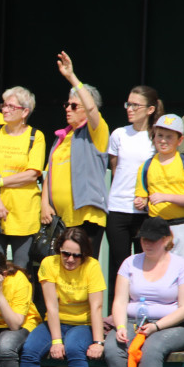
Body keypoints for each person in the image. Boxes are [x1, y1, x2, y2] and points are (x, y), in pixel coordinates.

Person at [105, 217, 184, 367]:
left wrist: (156, 327)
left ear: (166, 240)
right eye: (144, 239)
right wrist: (119, 326)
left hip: (173, 326)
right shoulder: (130, 263)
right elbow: (119, 300)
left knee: (152, 348)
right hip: (134, 321)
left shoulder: (181, 265)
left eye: (153, 240)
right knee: (112, 347)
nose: (147, 244)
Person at [18, 228, 105, 367]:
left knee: (75, 348)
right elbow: (51, 305)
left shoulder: (92, 266)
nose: (70, 259)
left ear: (84, 255)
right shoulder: (49, 263)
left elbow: (96, 307)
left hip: (82, 323)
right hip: (55, 321)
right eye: (66, 253)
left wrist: (98, 342)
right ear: (59, 250)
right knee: (30, 349)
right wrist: (56, 341)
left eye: (76, 255)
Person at [42, 52, 108, 253]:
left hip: (86, 218)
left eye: (73, 105)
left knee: (84, 272)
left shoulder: (96, 131)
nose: (67, 109)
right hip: (60, 220)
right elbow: (48, 174)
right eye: (66, 105)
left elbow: (90, 107)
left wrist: (71, 77)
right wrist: (44, 204)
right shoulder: (61, 137)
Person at [134, 114, 184, 286]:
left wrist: (166, 197)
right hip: (157, 228)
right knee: (159, 276)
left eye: (169, 137)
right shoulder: (147, 166)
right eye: (160, 135)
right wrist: (140, 201)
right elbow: (141, 195)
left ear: (180, 140)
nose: (163, 141)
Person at [105, 86, 160, 302]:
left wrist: (146, 196)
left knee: (145, 263)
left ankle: (143, 308)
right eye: (128, 104)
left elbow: (159, 172)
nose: (129, 109)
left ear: (150, 109)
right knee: (120, 264)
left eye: (135, 105)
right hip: (118, 207)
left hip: (143, 210)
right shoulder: (119, 134)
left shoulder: (155, 137)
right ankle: (117, 311)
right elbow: (116, 168)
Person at [0, 86, 46, 263]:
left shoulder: (35, 136)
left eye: (11, 107)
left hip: (24, 212)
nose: (5, 110)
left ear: (25, 111)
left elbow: (32, 174)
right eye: (4, 105)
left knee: (21, 268)